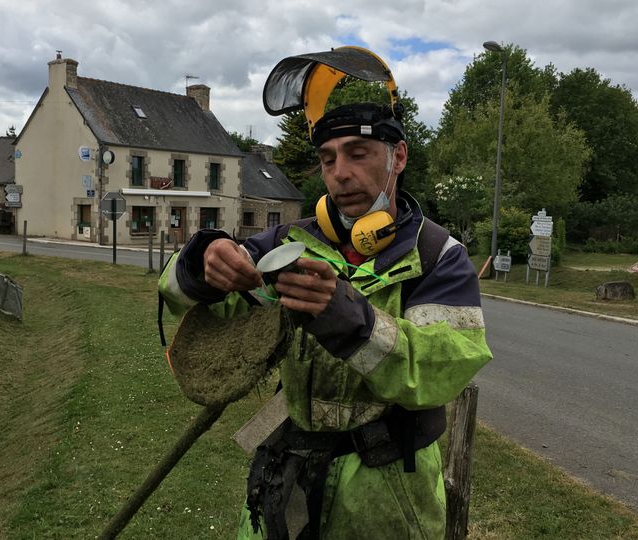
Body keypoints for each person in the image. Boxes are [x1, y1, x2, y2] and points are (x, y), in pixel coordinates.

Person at [159, 47, 492, 540]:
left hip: (387, 498)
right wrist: (202, 263)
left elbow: (441, 371)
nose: (339, 173)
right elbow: (187, 300)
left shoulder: (439, 255)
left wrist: (348, 319)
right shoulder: (289, 243)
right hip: (286, 479)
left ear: (397, 156)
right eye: (328, 159)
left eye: (358, 154)